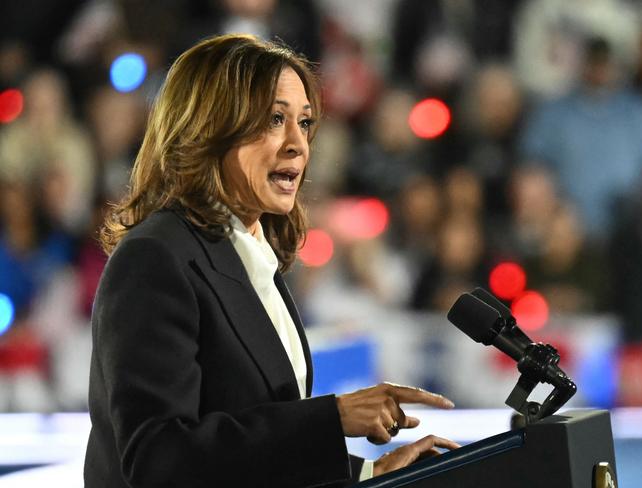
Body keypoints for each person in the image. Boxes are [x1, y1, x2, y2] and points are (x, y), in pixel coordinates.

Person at [83, 34, 459, 488]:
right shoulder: (155, 257)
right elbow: (158, 459)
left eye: (304, 123)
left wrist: (365, 473)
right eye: (274, 119)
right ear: (209, 126)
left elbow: (250, 452)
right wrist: (331, 419)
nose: (297, 144)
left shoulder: (253, 256)